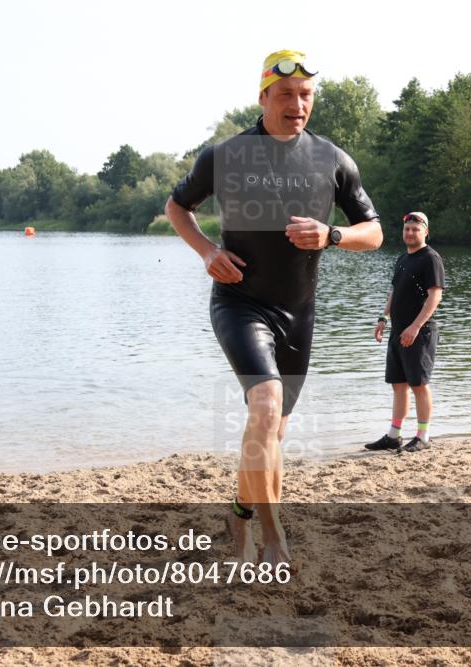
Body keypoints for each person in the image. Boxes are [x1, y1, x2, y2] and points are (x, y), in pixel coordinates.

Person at [165, 50, 382, 564]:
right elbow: (178, 207)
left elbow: (374, 233)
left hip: (298, 313)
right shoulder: (225, 156)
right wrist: (208, 252)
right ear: (263, 97)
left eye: (305, 95)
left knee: (272, 430)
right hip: (240, 302)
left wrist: (332, 235)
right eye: (285, 94)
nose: (297, 103)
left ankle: (238, 513)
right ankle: (273, 536)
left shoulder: (333, 159)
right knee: (265, 408)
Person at [366, 212, 444, 453]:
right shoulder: (403, 258)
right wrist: (384, 317)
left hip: (419, 333)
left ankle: (423, 435)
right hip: (398, 331)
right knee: (398, 385)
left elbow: (435, 296)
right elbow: (394, 290)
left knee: (419, 384)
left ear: (425, 232)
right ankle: (394, 435)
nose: (410, 233)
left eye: (415, 229)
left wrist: (415, 326)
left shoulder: (430, 258)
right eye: (407, 229)